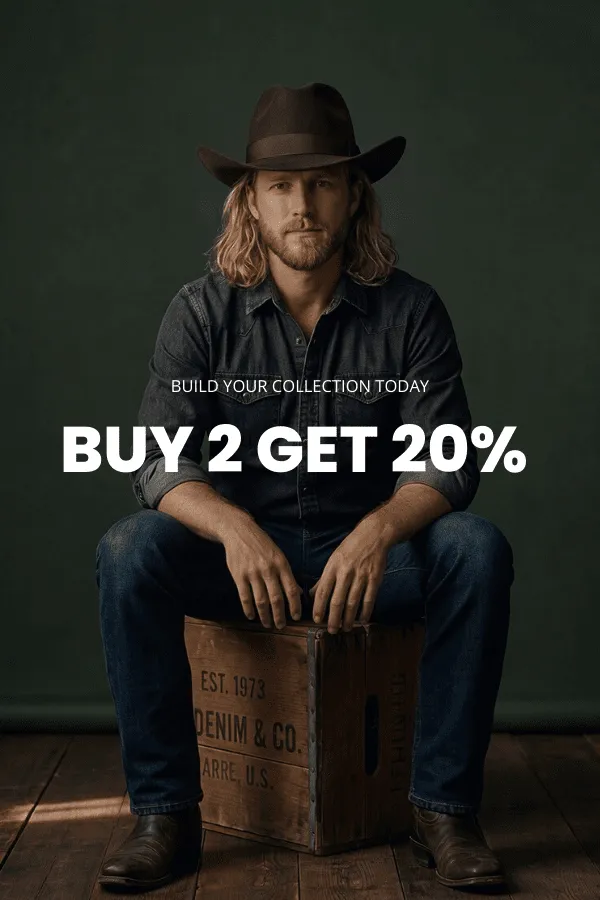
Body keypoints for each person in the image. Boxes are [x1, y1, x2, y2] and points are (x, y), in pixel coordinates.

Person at [95, 82, 514, 892]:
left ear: (355, 195)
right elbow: (156, 460)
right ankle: (166, 816)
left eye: (324, 182)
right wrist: (234, 529)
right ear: (249, 201)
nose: (304, 205)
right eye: (282, 185)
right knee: (128, 549)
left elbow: (451, 459)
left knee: (475, 547)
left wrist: (380, 531)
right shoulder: (199, 313)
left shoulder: (413, 314)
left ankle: (444, 811)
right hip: (243, 565)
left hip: (368, 565)